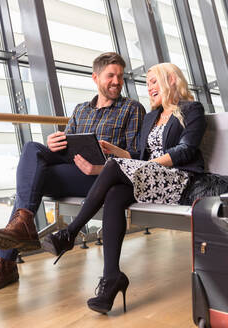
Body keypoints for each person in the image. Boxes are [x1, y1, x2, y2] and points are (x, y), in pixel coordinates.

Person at [0, 52, 146, 293]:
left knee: (31, 184)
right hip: (71, 169)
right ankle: (22, 224)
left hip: (100, 177)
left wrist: (101, 164)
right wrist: (55, 144)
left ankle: (5, 261)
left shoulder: (132, 108)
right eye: (110, 76)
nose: (116, 81)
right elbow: (67, 144)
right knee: (33, 149)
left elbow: (135, 155)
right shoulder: (81, 109)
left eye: (120, 77)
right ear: (95, 78)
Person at [42, 62, 207, 314]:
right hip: (149, 178)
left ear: (171, 80)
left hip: (178, 179)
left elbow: (186, 150)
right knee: (115, 193)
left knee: (114, 168)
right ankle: (111, 278)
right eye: (147, 83)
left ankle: (70, 233)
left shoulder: (191, 109)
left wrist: (145, 166)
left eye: (154, 81)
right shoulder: (152, 117)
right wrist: (115, 151)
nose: (149, 87)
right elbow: (137, 155)